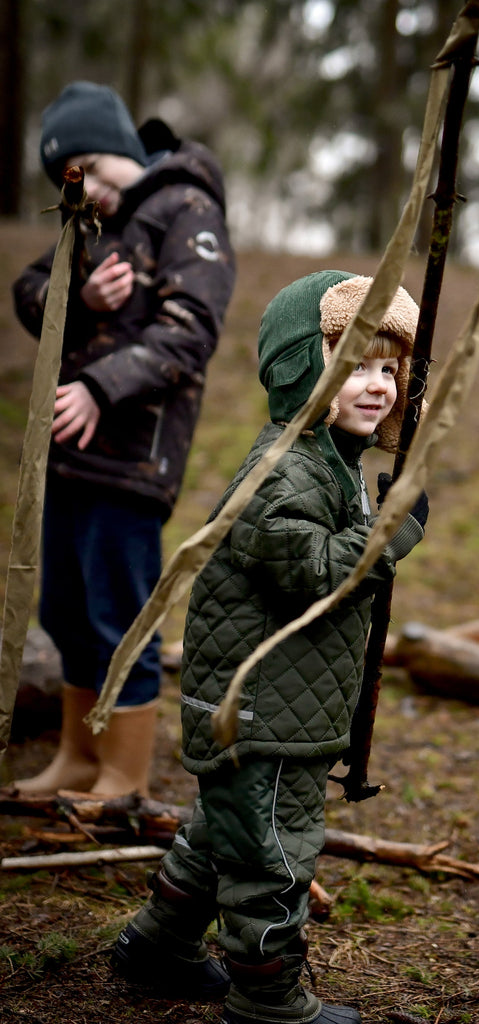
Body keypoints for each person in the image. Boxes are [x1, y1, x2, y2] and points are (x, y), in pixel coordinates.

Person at [110, 270, 429, 1022]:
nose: (377, 384)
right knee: (271, 851)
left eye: (389, 368)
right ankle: (266, 997)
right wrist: (384, 537)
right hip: (260, 712)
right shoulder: (283, 470)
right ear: (297, 368)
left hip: (278, 704)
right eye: (353, 363)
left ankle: (158, 945)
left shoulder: (330, 461)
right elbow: (311, 574)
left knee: (226, 827)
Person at [11, 81, 236, 798]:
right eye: (72, 180)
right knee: (66, 612)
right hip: (71, 458)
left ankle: (124, 773)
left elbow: (191, 329)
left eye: (98, 169)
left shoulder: (186, 209)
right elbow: (25, 290)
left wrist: (102, 385)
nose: (91, 190)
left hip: (133, 460)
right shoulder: (85, 227)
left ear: (128, 149)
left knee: (119, 614)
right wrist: (79, 298)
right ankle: (79, 758)